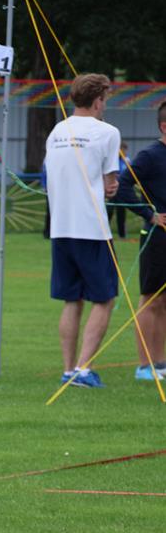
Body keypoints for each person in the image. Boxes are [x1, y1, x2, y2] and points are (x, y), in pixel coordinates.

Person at [45, 73, 120, 388]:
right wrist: (111, 186)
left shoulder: (57, 131)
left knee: (71, 300)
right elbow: (110, 182)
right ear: (98, 100)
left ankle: (69, 369)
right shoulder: (108, 132)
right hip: (93, 229)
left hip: (61, 229)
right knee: (104, 299)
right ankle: (83, 369)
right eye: (105, 99)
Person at [116, 101, 166, 380]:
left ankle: (160, 362)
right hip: (157, 238)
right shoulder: (150, 155)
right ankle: (144, 365)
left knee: (164, 302)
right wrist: (150, 214)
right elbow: (123, 186)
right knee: (150, 300)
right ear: (164, 127)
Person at [107, 142, 130, 238]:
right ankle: (105, 232)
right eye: (122, 150)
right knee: (109, 211)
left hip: (122, 190)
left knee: (121, 213)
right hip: (113, 189)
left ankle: (122, 235)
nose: (124, 152)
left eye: (125, 150)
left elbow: (128, 173)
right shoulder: (113, 160)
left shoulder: (126, 160)